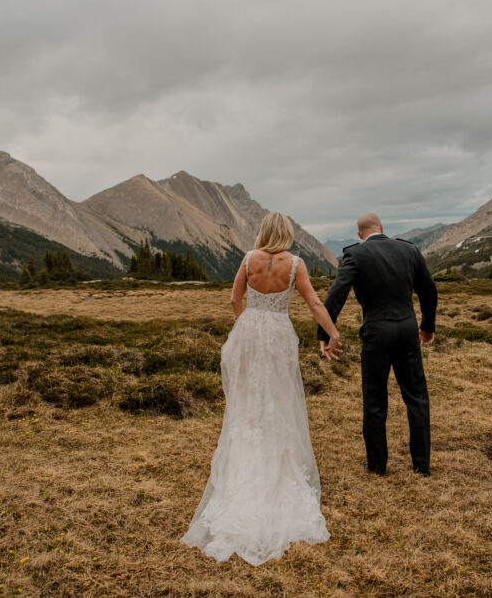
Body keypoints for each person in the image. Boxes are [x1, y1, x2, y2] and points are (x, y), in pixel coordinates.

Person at [180, 212, 341, 565]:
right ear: (286, 234)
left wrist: (247, 326)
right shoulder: (295, 264)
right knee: (280, 400)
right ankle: (277, 464)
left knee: (248, 402)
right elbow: (314, 303)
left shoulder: (248, 259)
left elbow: (235, 299)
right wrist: (332, 332)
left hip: (250, 332)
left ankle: (244, 473)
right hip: (279, 334)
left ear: (263, 231)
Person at [316, 213, 438, 476]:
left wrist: (325, 333)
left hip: (376, 333)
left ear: (360, 235)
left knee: (374, 399)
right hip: (407, 331)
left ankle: (377, 466)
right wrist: (427, 325)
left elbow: (336, 294)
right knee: (417, 397)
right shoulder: (409, 250)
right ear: (382, 228)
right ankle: (422, 466)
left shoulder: (356, 255)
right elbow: (429, 289)